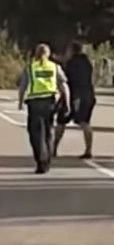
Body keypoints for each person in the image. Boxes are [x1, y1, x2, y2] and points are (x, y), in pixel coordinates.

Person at [17, 43, 71, 174]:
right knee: (48, 131)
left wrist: (20, 102)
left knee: (35, 133)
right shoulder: (55, 67)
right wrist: (67, 103)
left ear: (36, 54)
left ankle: (41, 160)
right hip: (50, 102)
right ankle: (47, 158)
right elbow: (64, 86)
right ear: (49, 54)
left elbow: (23, 87)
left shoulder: (30, 68)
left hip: (34, 103)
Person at [53, 41, 95, 159]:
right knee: (85, 122)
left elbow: (67, 82)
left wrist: (63, 98)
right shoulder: (87, 63)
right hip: (89, 95)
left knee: (61, 120)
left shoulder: (71, 64)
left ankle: (54, 148)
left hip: (74, 95)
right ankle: (88, 150)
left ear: (72, 50)